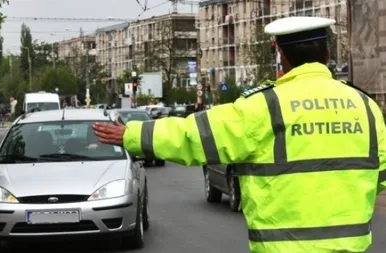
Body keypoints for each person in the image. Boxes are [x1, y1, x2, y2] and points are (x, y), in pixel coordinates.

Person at [93, 16, 386, 253]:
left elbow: (193, 135)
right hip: (351, 247)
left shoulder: (265, 106)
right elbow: (380, 176)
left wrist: (132, 134)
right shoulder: (366, 106)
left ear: (280, 55)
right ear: (327, 52)